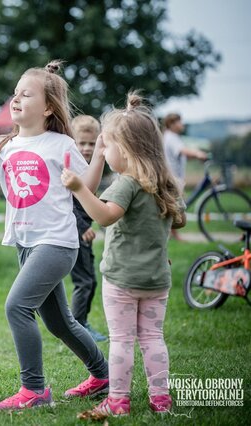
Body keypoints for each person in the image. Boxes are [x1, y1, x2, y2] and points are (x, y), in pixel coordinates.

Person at [0, 61, 109, 410]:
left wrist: (98, 155)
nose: (16, 99)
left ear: (47, 108)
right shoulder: (2, 146)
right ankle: (102, 376)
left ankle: (35, 390)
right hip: (26, 245)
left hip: (57, 243)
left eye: (26, 94)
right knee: (59, 323)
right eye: (15, 93)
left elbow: (88, 187)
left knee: (17, 307)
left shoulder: (62, 145)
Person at [62, 92, 186, 417]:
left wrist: (79, 188)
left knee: (121, 339)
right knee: (153, 338)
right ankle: (161, 400)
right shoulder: (165, 183)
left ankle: (118, 400)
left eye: (108, 146)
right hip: (158, 278)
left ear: (127, 149)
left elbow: (103, 216)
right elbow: (179, 219)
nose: (104, 151)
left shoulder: (127, 183)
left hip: (122, 279)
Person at [69, 115, 106, 342]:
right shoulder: (71, 169)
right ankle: (78, 327)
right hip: (75, 232)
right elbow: (67, 203)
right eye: (81, 143)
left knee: (90, 280)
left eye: (91, 144)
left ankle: (78, 323)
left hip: (85, 233)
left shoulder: (90, 168)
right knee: (85, 281)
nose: (86, 148)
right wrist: (83, 226)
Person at [162, 113, 207, 240]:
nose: (182, 124)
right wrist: (198, 153)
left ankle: (172, 234)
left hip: (174, 178)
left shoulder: (172, 137)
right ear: (171, 124)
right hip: (173, 179)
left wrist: (196, 157)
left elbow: (182, 155)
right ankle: (175, 235)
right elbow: (183, 151)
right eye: (179, 122)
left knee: (174, 207)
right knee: (174, 207)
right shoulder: (171, 137)